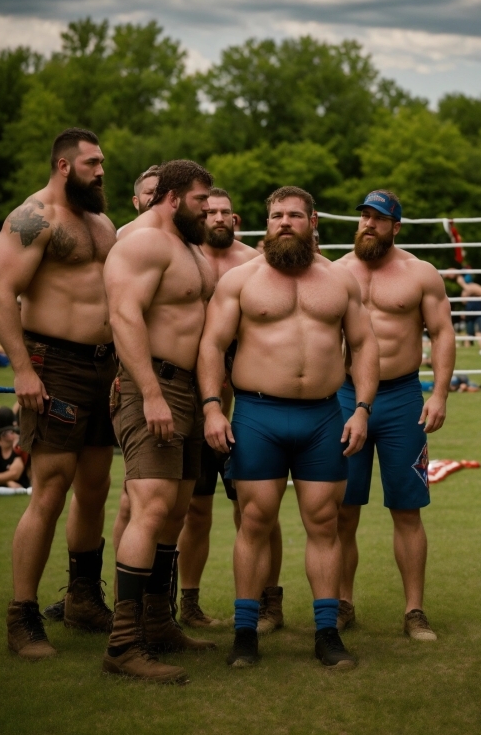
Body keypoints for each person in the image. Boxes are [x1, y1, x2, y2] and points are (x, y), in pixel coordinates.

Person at [199, 185, 379, 669]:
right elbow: (213, 345)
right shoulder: (241, 280)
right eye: (276, 214)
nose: (283, 222)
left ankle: (326, 633)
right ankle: (244, 633)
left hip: (323, 416)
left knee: (324, 523)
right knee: (254, 521)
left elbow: (362, 346)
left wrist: (361, 408)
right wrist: (213, 407)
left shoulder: (340, 280)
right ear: (264, 220)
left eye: (294, 215)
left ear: (312, 220)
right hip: (258, 415)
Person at [0, 127, 118, 660]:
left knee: (95, 486)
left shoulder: (101, 221)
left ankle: (83, 599)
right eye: (92, 163)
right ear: (65, 165)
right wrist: (23, 370)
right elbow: (3, 291)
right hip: (54, 363)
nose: (101, 170)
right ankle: (22, 617)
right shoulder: (33, 216)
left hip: (103, 366)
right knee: (50, 487)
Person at [102, 159, 216, 684]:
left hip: (190, 391)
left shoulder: (186, 244)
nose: (208, 209)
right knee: (149, 506)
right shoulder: (142, 242)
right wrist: (148, 391)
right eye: (199, 200)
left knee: (176, 509)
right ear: (171, 197)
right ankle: (124, 645)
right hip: (157, 386)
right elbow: (124, 315)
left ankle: (157, 622)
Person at [44, 163, 164, 623]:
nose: (155, 197)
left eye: (162, 191)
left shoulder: (171, 242)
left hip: (120, 371)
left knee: (106, 489)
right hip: (102, 371)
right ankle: (76, 598)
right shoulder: (122, 237)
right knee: (70, 489)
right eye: (148, 191)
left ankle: (101, 599)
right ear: (137, 200)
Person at [335, 190, 455, 639]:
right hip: (346, 397)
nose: (368, 224)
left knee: (407, 508)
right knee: (343, 508)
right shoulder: (336, 271)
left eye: (378, 219)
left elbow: (442, 333)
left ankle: (414, 611)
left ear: (395, 226)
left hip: (403, 397)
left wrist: (439, 393)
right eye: (363, 215)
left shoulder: (420, 273)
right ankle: (343, 602)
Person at [175, 187, 273, 631]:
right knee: (194, 508)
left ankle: (268, 600)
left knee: (257, 508)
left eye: (224, 212)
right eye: (209, 210)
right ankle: (188, 601)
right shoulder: (179, 255)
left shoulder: (254, 263)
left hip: (245, 405)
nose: (216, 218)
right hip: (189, 402)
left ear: (235, 219)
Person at [454, 273, 481, 354]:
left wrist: (463, 284)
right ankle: (467, 353)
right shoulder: (465, 290)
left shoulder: (473, 286)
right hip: (470, 314)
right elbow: (464, 301)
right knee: (469, 334)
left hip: (480, 313)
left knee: (479, 332)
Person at [0, 406, 29, 489]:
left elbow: (15, 473)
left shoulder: (19, 448)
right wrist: (7, 481)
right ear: (2, 434)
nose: (14, 433)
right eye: (11, 431)